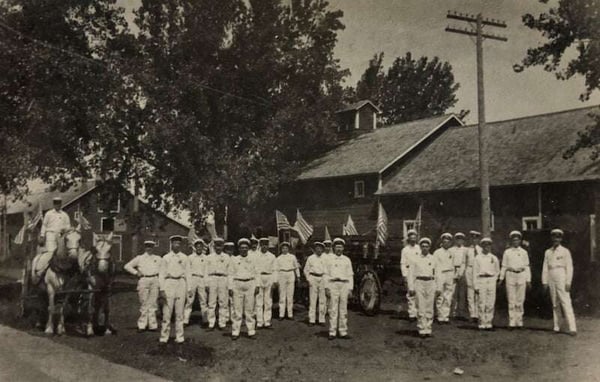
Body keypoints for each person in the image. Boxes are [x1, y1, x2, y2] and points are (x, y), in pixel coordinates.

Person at [542, 229, 577, 336]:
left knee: (565, 301)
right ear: (551, 238)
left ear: (561, 239)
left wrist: (568, 282)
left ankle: (572, 327)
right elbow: (545, 267)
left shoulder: (565, 251)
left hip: (561, 274)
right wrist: (544, 281)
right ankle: (557, 326)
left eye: (558, 237)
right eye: (554, 237)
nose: (555, 239)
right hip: (551, 275)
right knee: (554, 302)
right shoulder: (548, 252)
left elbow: (569, 267)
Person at [158, 235, 192, 345]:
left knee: (179, 312)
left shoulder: (185, 257)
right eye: (174, 243)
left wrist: (189, 288)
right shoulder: (166, 258)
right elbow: (161, 274)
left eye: (178, 243)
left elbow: (188, 274)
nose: (176, 245)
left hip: (181, 283)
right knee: (167, 312)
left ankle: (180, 337)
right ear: (171, 244)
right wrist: (162, 289)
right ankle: (164, 337)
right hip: (169, 283)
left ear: (180, 245)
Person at [123, 240, 161, 332]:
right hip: (143, 279)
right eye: (147, 246)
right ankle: (142, 325)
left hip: (155, 279)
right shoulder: (140, 258)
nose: (149, 248)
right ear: (145, 247)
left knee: (153, 303)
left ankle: (153, 325)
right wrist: (136, 272)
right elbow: (127, 266)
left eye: (151, 246)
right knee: (144, 302)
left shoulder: (158, 258)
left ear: (153, 247)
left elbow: (163, 268)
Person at [407, 237, 439, 338]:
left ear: (429, 247)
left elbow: (438, 274)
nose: (425, 248)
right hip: (419, 282)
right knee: (421, 306)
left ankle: (428, 328)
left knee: (429, 307)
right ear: (420, 247)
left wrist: (438, 287)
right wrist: (411, 287)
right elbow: (410, 274)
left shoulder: (433, 258)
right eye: (423, 246)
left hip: (430, 282)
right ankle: (421, 328)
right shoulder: (415, 259)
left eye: (427, 246)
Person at [499, 231, 531, 329]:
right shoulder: (507, 252)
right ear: (511, 241)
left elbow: (527, 266)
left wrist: (528, 280)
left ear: (520, 241)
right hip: (510, 275)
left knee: (520, 300)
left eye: (517, 240)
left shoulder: (524, 252)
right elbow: (504, 266)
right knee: (511, 299)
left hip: (521, 275)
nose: (516, 242)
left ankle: (519, 321)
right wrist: (501, 278)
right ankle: (512, 322)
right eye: (514, 240)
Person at [228, 238, 259, 340]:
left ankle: (251, 331)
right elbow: (230, 274)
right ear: (239, 249)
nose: (244, 250)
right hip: (237, 284)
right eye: (242, 248)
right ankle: (235, 331)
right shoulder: (234, 259)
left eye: (246, 248)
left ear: (248, 248)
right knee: (237, 309)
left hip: (250, 283)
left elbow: (256, 273)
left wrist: (257, 285)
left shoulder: (253, 259)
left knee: (249, 309)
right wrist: (230, 287)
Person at [324, 238, 353, 340]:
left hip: (344, 285)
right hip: (333, 284)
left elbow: (350, 275)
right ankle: (332, 332)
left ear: (343, 248)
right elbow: (326, 274)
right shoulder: (329, 260)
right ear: (334, 248)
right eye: (337, 247)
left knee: (343, 309)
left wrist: (350, 289)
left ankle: (343, 331)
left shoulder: (347, 260)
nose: (339, 249)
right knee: (333, 308)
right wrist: (326, 287)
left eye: (340, 247)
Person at [473, 237, 499, 330]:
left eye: (488, 245)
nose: (487, 247)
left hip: (491, 280)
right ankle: (481, 323)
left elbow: (497, 271)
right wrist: (476, 285)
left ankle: (488, 323)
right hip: (481, 280)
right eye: (485, 245)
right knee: (481, 302)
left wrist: (493, 280)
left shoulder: (493, 258)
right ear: (482, 246)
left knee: (490, 302)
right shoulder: (478, 258)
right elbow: (475, 272)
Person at [205, 237, 230, 330]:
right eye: (217, 246)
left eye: (220, 246)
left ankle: (222, 323)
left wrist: (229, 284)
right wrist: (206, 284)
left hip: (223, 278)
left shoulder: (227, 257)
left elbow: (230, 271)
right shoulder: (209, 257)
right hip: (212, 278)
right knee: (211, 302)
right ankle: (211, 323)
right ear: (214, 246)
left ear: (223, 246)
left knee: (223, 302)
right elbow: (206, 271)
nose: (218, 248)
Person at [184, 238, 209, 326]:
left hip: (202, 279)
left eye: (200, 246)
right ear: (194, 247)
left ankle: (205, 320)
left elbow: (206, 271)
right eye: (197, 246)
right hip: (193, 278)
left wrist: (206, 284)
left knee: (203, 300)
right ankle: (185, 320)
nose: (199, 248)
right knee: (189, 300)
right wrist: (189, 284)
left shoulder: (205, 258)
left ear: (202, 247)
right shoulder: (190, 258)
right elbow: (187, 271)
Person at [304, 241, 327, 326]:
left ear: (322, 250)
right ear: (315, 249)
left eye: (320, 248)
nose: (319, 250)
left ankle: (321, 319)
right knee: (313, 300)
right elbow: (306, 270)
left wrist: (326, 280)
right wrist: (309, 279)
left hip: (322, 278)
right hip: (313, 278)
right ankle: (312, 320)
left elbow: (327, 270)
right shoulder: (311, 258)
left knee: (322, 300)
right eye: (317, 248)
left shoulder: (325, 259)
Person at [275, 242, 300, 320]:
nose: (284, 250)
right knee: (282, 295)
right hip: (282, 274)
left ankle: (290, 314)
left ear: (288, 249)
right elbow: (276, 270)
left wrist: (298, 276)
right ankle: (281, 314)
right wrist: (276, 279)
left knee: (290, 295)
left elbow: (296, 267)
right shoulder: (278, 258)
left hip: (290, 274)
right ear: (281, 249)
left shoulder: (292, 257)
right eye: (283, 248)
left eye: (286, 248)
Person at [433, 233, 455, 323]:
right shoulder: (437, 252)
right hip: (440, 274)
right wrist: (436, 277)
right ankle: (439, 316)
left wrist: (453, 275)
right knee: (440, 295)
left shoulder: (451, 252)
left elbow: (453, 265)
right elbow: (435, 266)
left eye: (448, 242)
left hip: (449, 274)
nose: (446, 243)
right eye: (445, 241)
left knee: (448, 295)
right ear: (442, 242)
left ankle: (446, 316)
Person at [255, 237, 276, 329]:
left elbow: (275, 270)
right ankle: (259, 321)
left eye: (266, 245)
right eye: (263, 245)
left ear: (268, 246)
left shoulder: (272, 256)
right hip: (259, 277)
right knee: (259, 301)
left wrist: (274, 281)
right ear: (260, 245)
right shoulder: (255, 256)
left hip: (269, 277)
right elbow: (254, 270)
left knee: (268, 300)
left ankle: (267, 321)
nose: (264, 247)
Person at [400, 229, 420, 321]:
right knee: (411, 293)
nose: (413, 239)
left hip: (419, 272)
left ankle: (418, 312)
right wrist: (404, 275)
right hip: (409, 272)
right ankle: (412, 313)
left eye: (414, 237)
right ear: (408, 238)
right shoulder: (405, 250)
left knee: (418, 293)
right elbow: (403, 263)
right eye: (411, 238)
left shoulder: (419, 248)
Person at [450, 232, 468, 319]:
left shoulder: (465, 250)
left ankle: (461, 313)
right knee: (453, 292)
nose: (459, 241)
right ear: (455, 240)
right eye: (458, 239)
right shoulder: (451, 250)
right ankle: (453, 312)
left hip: (463, 270)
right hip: (453, 270)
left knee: (462, 293)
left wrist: (461, 273)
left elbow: (465, 262)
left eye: (461, 239)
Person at [465, 230, 482, 322]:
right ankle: (472, 314)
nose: (474, 240)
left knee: (478, 292)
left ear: (478, 240)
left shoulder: (481, 250)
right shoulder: (467, 250)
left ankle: (478, 313)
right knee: (470, 293)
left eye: (476, 239)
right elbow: (465, 262)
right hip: (470, 269)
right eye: (473, 238)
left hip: (478, 271)